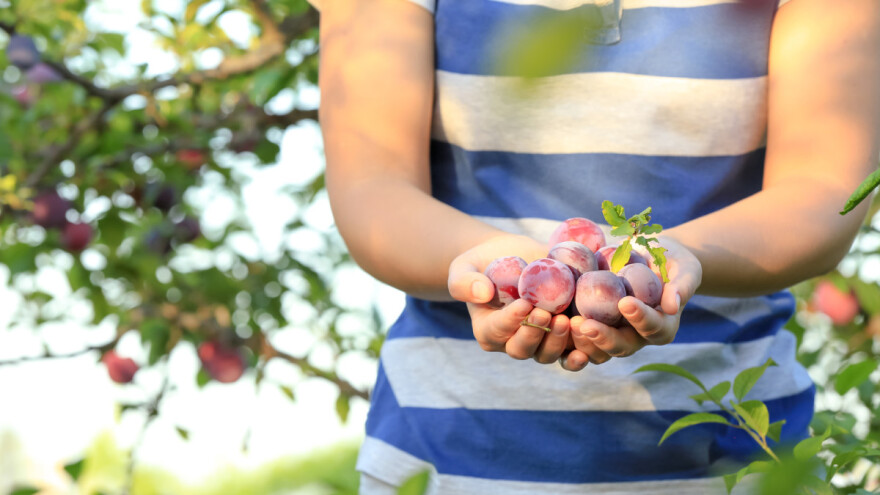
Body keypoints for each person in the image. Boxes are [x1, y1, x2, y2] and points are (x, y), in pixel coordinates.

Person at [311, 0, 880, 493]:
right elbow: (373, 190)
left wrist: (674, 258)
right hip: (447, 455)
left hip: (740, 461)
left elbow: (825, 192)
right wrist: (490, 266)